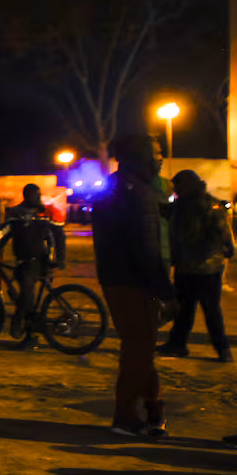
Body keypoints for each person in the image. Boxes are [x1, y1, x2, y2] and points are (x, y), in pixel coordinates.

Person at [93, 134, 176, 437]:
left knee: (140, 349)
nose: (160, 158)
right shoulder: (139, 192)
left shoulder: (115, 186)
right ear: (141, 155)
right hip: (135, 281)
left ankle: (153, 410)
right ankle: (125, 416)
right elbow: (146, 247)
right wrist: (165, 291)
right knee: (138, 351)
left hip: (116, 277)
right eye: (156, 152)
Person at [158, 170, 233, 362]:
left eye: (177, 187)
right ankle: (221, 350)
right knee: (208, 309)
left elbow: (180, 233)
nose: (175, 191)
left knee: (188, 309)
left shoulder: (184, 206)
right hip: (210, 267)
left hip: (190, 266)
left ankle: (179, 344)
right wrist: (228, 248)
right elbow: (224, 231)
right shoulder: (210, 203)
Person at [0, 183, 66, 345]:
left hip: (39, 261)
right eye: (33, 195)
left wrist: (59, 259)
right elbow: (1, 236)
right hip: (23, 262)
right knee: (26, 297)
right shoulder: (16, 214)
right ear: (26, 196)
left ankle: (18, 324)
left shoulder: (45, 213)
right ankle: (29, 334)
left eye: (37, 195)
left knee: (26, 295)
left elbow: (58, 236)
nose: (36, 198)